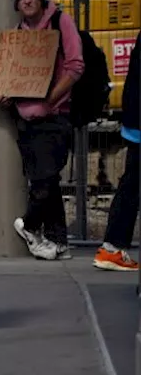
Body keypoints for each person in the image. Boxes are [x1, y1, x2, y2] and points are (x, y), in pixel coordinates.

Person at [6, 0, 82, 261]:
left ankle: (28, 224)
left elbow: (76, 66)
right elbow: (13, 76)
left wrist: (50, 98)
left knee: (45, 179)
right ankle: (58, 242)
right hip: (26, 119)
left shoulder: (61, 23)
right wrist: (8, 94)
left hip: (54, 116)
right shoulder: (18, 32)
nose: (26, 0)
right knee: (47, 183)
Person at [95, 31, 141, 270]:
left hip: (135, 118)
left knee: (131, 184)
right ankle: (112, 247)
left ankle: (112, 247)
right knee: (132, 185)